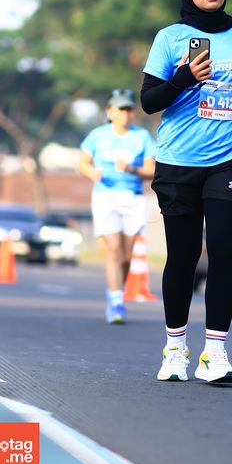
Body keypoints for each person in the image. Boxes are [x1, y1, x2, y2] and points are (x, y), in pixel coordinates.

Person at [141, 0, 232, 382]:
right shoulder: (171, 37)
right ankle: (175, 348)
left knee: (225, 253)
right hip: (178, 162)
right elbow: (149, 100)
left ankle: (215, 353)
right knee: (182, 257)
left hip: (230, 159)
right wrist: (184, 77)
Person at [79, 89, 155, 324]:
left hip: (133, 197)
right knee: (113, 249)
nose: (125, 113)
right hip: (105, 196)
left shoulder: (142, 137)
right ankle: (115, 301)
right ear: (110, 112)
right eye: (121, 109)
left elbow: (151, 170)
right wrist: (92, 172)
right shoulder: (98, 135)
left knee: (126, 256)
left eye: (129, 109)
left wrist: (130, 169)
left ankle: (117, 291)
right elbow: (83, 162)